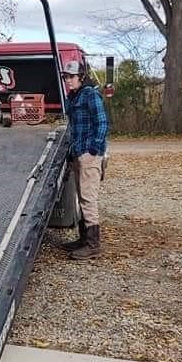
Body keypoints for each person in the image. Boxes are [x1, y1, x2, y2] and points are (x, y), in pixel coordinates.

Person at [60, 60, 109, 260]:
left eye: (71, 77)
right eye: (66, 77)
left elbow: (103, 123)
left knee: (88, 198)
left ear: (81, 76)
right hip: (78, 153)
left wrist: (93, 150)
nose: (68, 81)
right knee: (81, 198)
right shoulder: (73, 96)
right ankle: (83, 239)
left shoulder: (90, 94)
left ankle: (93, 244)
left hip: (89, 154)